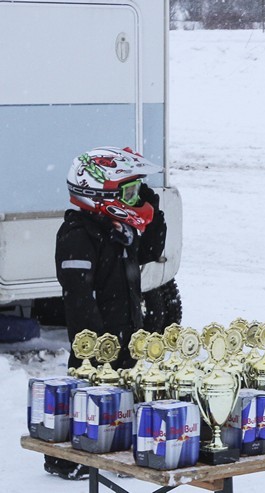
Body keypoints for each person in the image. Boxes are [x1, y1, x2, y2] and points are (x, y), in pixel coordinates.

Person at [44, 146, 167, 480]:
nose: (134, 198)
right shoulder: (78, 235)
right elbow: (79, 300)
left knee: (124, 404)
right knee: (87, 400)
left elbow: (152, 251)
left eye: (135, 190)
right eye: (129, 191)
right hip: (95, 345)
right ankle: (66, 459)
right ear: (98, 193)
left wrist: (152, 211)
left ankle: (118, 448)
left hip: (128, 333)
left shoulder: (117, 228)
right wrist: (98, 348)